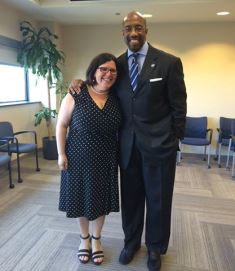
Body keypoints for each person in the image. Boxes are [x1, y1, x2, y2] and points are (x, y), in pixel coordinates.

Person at [69, 11, 187, 271]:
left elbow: (179, 106)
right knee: (131, 200)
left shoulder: (168, 62)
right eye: (128, 29)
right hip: (126, 147)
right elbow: (98, 84)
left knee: (158, 199)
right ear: (122, 33)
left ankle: (155, 248)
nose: (133, 33)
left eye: (138, 27)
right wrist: (78, 81)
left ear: (146, 30)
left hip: (160, 146)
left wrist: (174, 139)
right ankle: (131, 242)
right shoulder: (118, 66)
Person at [56, 53, 121, 265]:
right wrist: (61, 153)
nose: (107, 74)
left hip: (106, 159)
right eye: (103, 68)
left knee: (101, 202)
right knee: (80, 200)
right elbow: (62, 125)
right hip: (78, 159)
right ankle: (84, 239)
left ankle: (97, 239)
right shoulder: (77, 93)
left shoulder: (117, 97)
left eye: (112, 70)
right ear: (94, 70)